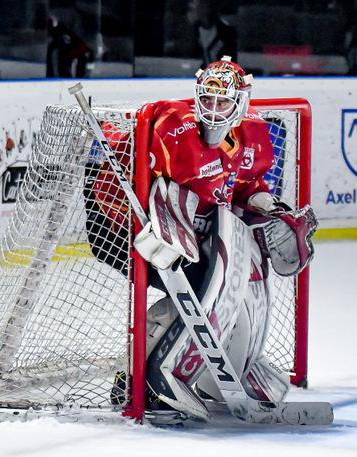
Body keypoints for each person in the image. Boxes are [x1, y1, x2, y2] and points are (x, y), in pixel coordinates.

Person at [86, 58, 316, 421]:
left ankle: (215, 368)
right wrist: (141, 220)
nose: (212, 109)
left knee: (214, 286)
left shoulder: (253, 135)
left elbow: (246, 186)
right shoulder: (173, 130)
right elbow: (118, 175)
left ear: (241, 103)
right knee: (197, 288)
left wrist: (269, 207)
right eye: (206, 99)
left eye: (223, 102)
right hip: (116, 223)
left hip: (178, 226)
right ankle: (133, 380)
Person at [186, 0, 237, 68]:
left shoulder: (226, 31)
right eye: (198, 3)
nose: (197, 7)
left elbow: (230, 61)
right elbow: (195, 59)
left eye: (203, 3)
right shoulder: (195, 30)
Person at [46, 13, 92, 78]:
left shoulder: (71, 37)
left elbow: (88, 53)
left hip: (68, 76)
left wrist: (88, 73)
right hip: (60, 77)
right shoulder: (58, 39)